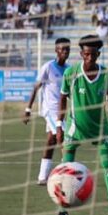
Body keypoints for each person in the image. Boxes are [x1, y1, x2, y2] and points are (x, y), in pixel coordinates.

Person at [57, 34, 108, 215]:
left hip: (100, 129)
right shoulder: (71, 73)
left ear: (98, 54)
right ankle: (62, 213)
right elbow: (62, 98)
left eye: (93, 54)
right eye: (86, 54)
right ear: (81, 54)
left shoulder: (107, 75)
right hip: (74, 129)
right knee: (65, 169)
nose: (90, 58)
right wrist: (59, 124)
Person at [23, 37, 72, 185]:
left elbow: (68, 92)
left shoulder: (69, 69)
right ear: (56, 50)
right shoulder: (48, 67)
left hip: (61, 111)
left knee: (51, 140)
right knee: (63, 139)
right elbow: (36, 87)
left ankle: (42, 177)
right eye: (62, 49)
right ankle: (67, 175)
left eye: (67, 49)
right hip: (50, 110)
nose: (65, 52)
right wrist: (28, 109)